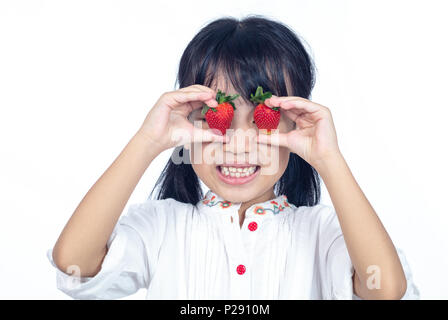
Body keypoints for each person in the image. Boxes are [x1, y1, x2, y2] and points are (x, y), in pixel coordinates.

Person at [47, 15, 420, 299]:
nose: (239, 143)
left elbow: (384, 290)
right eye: (215, 117)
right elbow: (75, 263)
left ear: (296, 125)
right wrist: (148, 140)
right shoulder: (163, 228)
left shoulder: (321, 233)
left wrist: (329, 159)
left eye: (263, 117)